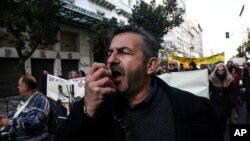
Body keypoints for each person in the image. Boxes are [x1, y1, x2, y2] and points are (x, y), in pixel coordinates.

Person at [54, 25, 223, 141]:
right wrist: (88, 110)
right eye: (110, 53)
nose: (111, 60)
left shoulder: (196, 110)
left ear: (150, 65)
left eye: (124, 52)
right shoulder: (92, 108)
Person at [0, 75, 50, 141]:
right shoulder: (26, 98)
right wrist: (4, 118)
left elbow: (35, 121)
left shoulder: (41, 100)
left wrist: (10, 122)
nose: (18, 87)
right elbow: (16, 113)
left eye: (19, 85)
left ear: (26, 87)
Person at [209, 63, 239, 134]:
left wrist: (230, 100)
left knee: (223, 122)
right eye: (218, 68)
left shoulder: (229, 79)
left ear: (225, 70)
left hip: (226, 104)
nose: (220, 70)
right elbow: (207, 90)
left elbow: (234, 91)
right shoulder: (211, 79)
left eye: (222, 69)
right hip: (215, 103)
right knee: (216, 120)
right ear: (216, 69)